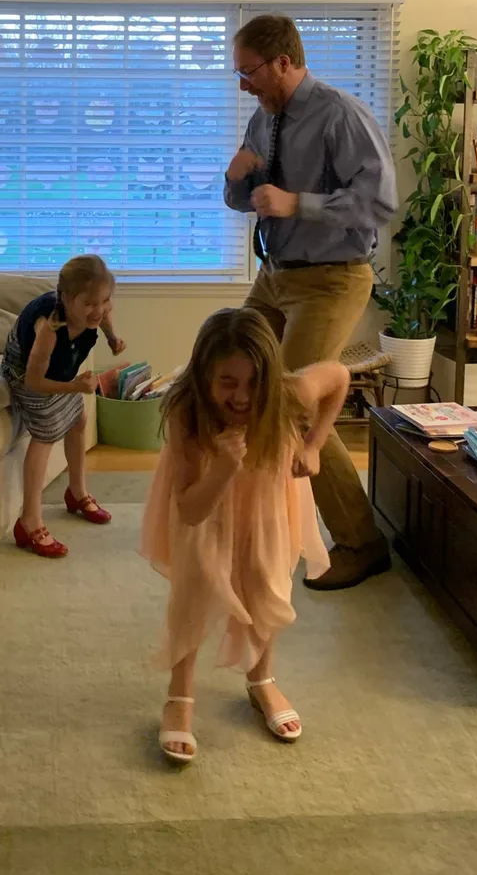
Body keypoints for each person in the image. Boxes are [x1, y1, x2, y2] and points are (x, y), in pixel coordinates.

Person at [224, 13, 398, 590]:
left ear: (283, 62)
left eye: (249, 72)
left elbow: (378, 201)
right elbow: (250, 200)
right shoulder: (263, 117)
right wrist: (235, 181)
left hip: (332, 277)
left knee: (294, 403)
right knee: (229, 367)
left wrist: (298, 204)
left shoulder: (339, 114)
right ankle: (248, 505)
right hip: (275, 274)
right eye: (239, 74)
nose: (243, 84)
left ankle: (360, 542)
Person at [141, 308, 341, 764]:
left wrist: (313, 445)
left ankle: (261, 680)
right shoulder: (186, 409)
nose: (242, 397)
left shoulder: (289, 393)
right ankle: (180, 695)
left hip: (270, 501)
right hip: (206, 503)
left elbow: (339, 378)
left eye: (253, 383)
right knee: (194, 589)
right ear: (203, 374)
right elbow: (189, 510)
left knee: (267, 582)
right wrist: (225, 469)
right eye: (227, 382)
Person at [1, 254, 126, 558]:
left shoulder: (95, 308)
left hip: (60, 371)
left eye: (105, 301)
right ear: (68, 299)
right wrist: (74, 387)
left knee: (79, 418)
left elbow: (103, 314)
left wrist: (111, 338)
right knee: (46, 435)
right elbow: (33, 381)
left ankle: (77, 492)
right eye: (90, 304)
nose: (99, 310)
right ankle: (29, 521)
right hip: (25, 373)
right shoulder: (49, 330)